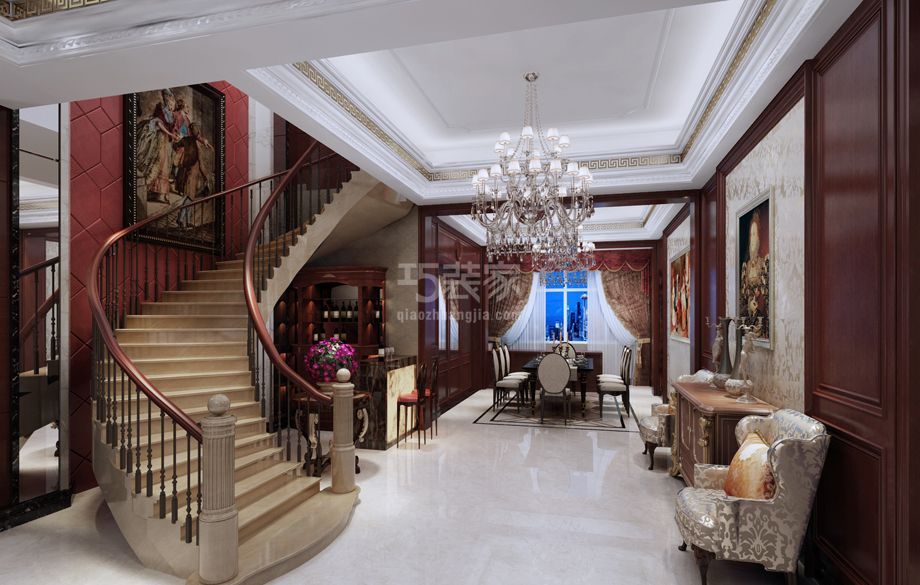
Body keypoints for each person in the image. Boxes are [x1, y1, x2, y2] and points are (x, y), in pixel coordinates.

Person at [136, 89, 179, 204]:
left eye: (173, 102)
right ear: (166, 99)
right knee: (158, 161)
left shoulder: (172, 114)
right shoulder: (161, 108)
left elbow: (172, 127)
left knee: (165, 165)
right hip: (159, 138)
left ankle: (162, 193)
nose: (172, 105)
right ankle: (153, 192)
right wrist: (170, 134)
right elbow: (159, 124)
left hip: (167, 140)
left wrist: (175, 134)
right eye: (170, 102)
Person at [173, 122, 214, 229]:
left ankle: (187, 221)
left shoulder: (187, 140)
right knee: (190, 197)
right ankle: (181, 219)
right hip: (192, 174)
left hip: (189, 172)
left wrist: (179, 146)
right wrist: (206, 177)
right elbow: (201, 163)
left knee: (190, 197)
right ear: (197, 131)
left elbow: (175, 145)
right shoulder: (196, 144)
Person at [739, 210, 770, 336]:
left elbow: (767, 296)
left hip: (761, 318)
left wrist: (757, 305)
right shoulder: (745, 267)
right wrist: (749, 306)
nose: (753, 239)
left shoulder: (763, 263)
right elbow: (743, 297)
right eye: (751, 235)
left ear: (758, 237)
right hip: (748, 320)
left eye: (755, 234)